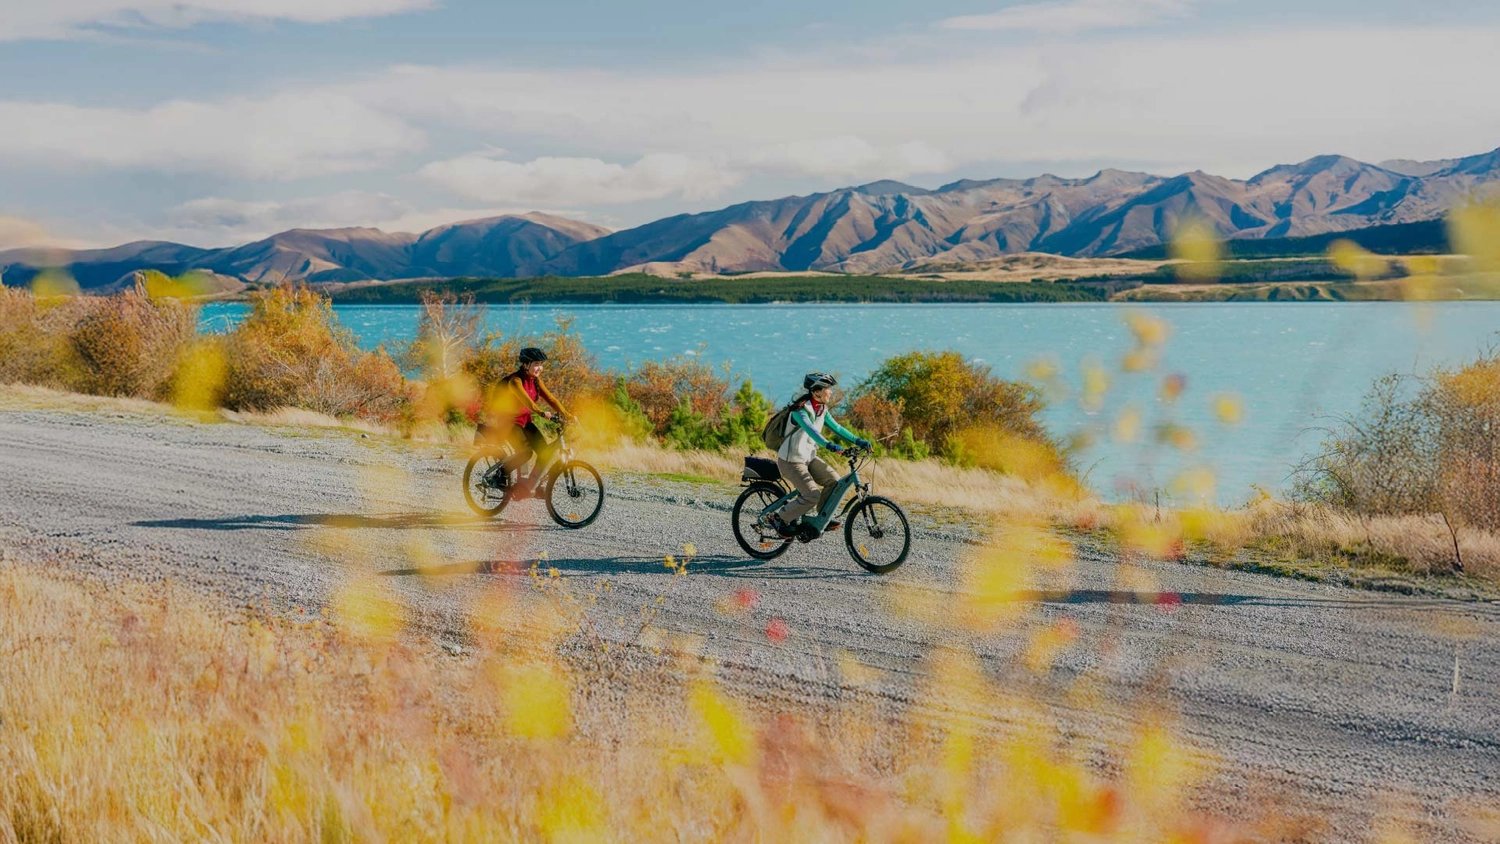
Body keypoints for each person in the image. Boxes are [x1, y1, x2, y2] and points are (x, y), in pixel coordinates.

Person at [766, 372, 871, 536]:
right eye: (828, 389)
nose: (830, 392)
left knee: (835, 482)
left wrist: (858, 441)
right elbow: (813, 431)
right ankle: (778, 518)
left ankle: (822, 517)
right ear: (816, 392)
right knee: (812, 495)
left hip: (808, 458)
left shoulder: (822, 409)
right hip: (791, 461)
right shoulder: (799, 411)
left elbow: (837, 428)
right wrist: (830, 446)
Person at [478, 347, 571, 498]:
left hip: (524, 421)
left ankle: (532, 484)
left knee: (545, 451)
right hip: (508, 423)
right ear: (526, 364)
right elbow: (528, 403)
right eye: (536, 364)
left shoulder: (536, 381)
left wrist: (568, 415)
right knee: (525, 453)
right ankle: (500, 475)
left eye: (541, 364)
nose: (539, 368)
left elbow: (552, 400)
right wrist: (541, 412)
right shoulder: (515, 381)